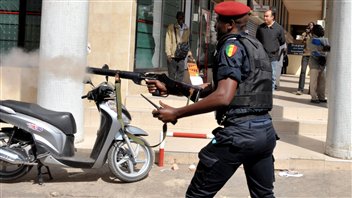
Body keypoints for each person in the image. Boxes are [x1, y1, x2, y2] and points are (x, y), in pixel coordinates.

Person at [147, 2, 277, 197]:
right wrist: (172, 87)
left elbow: (223, 97)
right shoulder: (254, 45)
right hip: (264, 132)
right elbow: (216, 89)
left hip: (239, 135)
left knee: (197, 195)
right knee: (264, 195)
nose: (215, 26)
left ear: (230, 24)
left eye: (218, 22)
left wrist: (176, 113)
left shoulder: (230, 47)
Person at [256, 9, 286, 91]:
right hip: (262, 56)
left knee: (272, 76)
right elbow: (257, 40)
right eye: (264, 16)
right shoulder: (260, 28)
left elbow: (282, 41)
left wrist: (274, 48)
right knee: (261, 75)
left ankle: (271, 93)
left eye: (267, 16)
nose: (265, 18)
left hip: (273, 57)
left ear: (272, 17)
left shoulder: (279, 28)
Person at [306, 24, 330, 103]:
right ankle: (314, 97)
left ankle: (321, 97)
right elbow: (313, 50)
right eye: (320, 29)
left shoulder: (324, 39)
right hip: (314, 63)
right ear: (316, 31)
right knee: (314, 81)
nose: (322, 30)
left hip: (322, 63)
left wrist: (325, 50)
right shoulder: (312, 40)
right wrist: (323, 49)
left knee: (322, 81)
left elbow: (328, 50)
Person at [165, 11, 190, 82]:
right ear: (177, 18)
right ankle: (171, 88)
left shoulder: (187, 29)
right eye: (179, 17)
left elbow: (187, 43)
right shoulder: (171, 27)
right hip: (172, 55)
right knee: (171, 74)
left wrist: (189, 54)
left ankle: (178, 88)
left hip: (181, 55)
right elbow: (168, 40)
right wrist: (168, 54)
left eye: (182, 17)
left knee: (181, 72)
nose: (181, 19)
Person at [296, 22, 315, 95]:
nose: (310, 27)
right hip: (305, 55)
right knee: (303, 72)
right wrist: (305, 35)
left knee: (312, 73)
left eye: (312, 25)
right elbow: (301, 42)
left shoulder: (315, 35)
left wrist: (310, 34)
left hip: (313, 56)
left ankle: (311, 90)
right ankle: (300, 89)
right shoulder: (305, 34)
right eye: (309, 26)